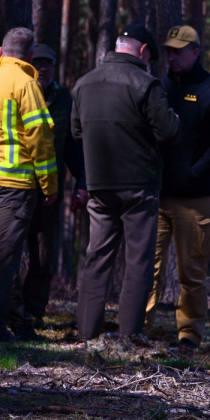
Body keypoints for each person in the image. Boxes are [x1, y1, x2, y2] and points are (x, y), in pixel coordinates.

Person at [72, 23, 180, 340]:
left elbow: (77, 132)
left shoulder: (83, 84)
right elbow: (170, 132)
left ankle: (87, 336)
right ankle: (128, 338)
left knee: (97, 259)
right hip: (139, 186)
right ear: (144, 51)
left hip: (99, 185)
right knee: (138, 263)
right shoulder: (145, 84)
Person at [144, 25, 210, 350]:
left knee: (193, 272)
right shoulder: (158, 87)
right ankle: (137, 329)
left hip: (196, 199)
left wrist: (195, 172)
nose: (172, 56)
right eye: (168, 50)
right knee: (146, 269)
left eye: (178, 51)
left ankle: (189, 335)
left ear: (195, 52)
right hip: (155, 197)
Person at [0, 27, 58, 342]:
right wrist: (49, 184)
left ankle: (11, 319)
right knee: (6, 257)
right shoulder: (27, 84)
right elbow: (40, 138)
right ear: (29, 56)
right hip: (16, 185)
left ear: (1, 52)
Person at [20, 44, 87, 325]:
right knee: (6, 253)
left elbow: (74, 147)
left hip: (50, 193)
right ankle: (3, 308)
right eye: (38, 63)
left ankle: (35, 311)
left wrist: (81, 181)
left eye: (49, 63)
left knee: (43, 255)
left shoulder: (65, 101)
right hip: (15, 188)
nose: (43, 68)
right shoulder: (17, 93)